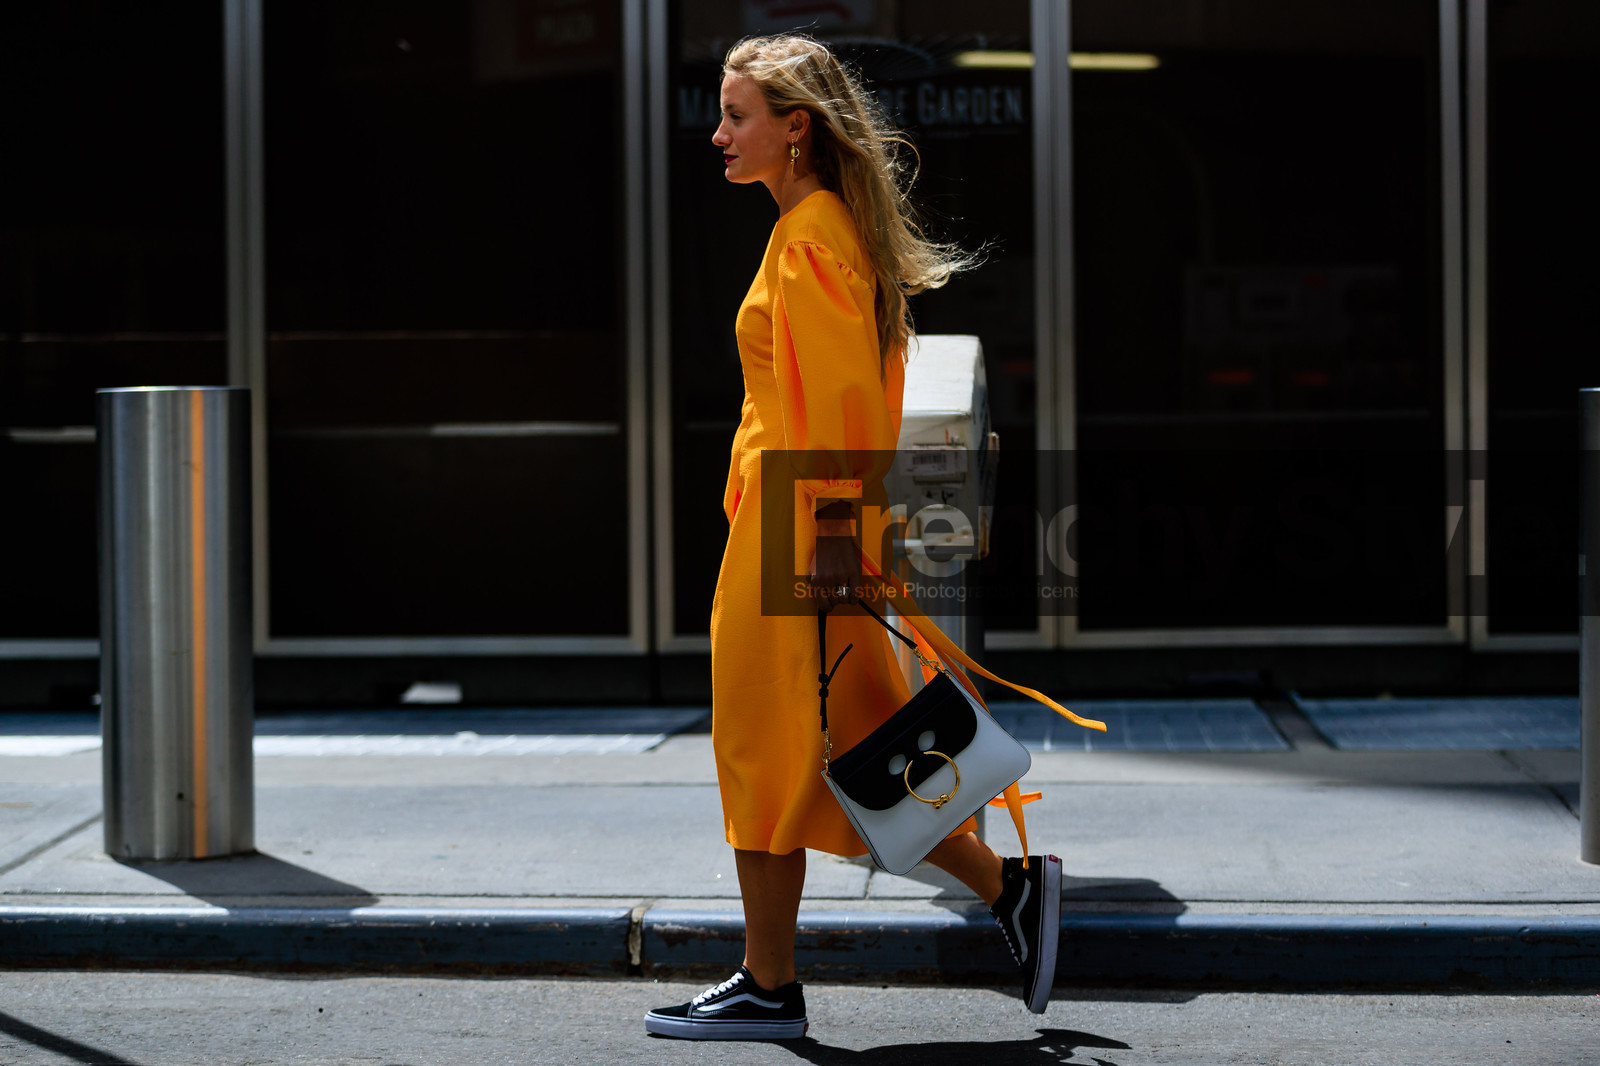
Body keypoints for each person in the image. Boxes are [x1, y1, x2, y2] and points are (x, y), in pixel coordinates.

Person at [645, 34, 1062, 1041]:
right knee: (857, 740)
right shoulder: (816, 229)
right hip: (799, 518)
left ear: (796, 128)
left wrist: (831, 519)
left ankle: (770, 983)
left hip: (798, 524)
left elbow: (835, 398)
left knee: (765, 745)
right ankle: (1007, 890)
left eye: (736, 116)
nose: (718, 134)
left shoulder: (810, 237)